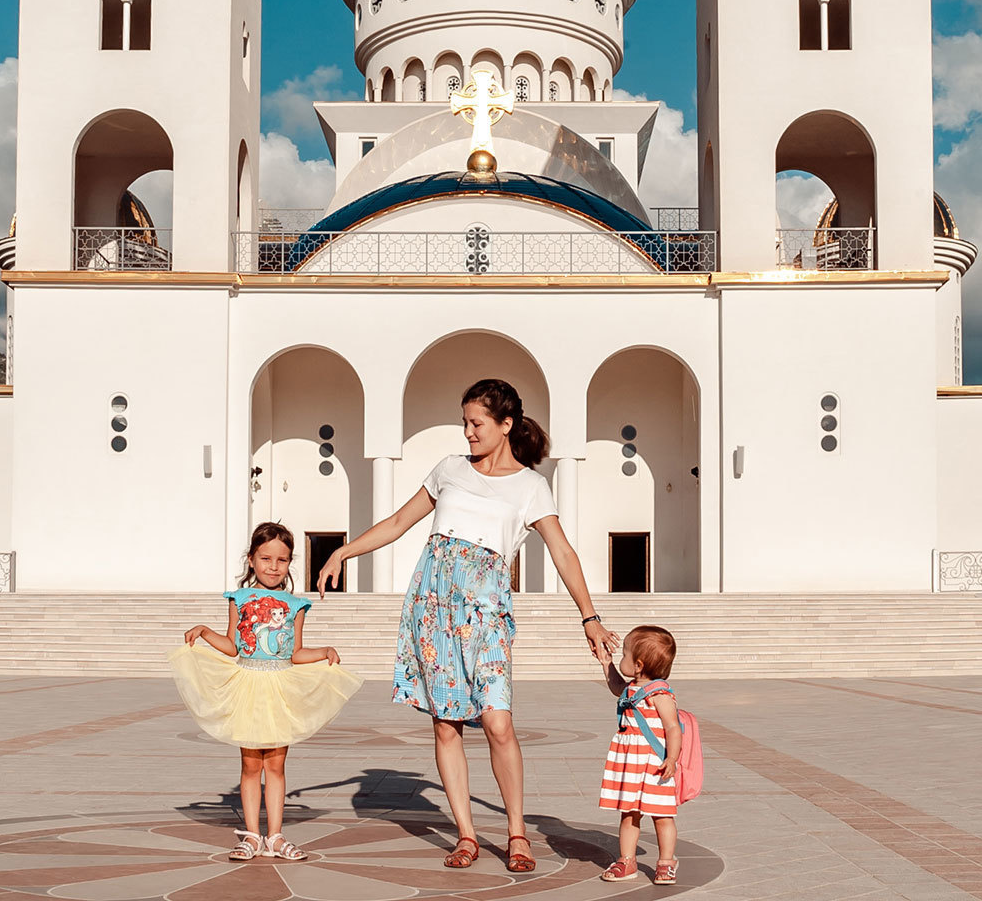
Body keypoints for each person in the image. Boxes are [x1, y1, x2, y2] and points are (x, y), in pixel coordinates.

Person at [317, 376, 617, 874]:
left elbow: (562, 551)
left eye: (476, 423)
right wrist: (343, 551)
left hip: (486, 613)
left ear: (505, 425)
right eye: (464, 423)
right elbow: (397, 523)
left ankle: (516, 832)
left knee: (498, 721)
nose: (468, 433)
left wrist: (589, 617)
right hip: (433, 605)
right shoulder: (449, 469)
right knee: (447, 723)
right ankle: (466, 834)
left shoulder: (530, 486)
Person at [170, 521, 362, 862]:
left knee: (275, 765)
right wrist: (204, 631)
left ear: (289, 563)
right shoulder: (239, 598)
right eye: (266, 558)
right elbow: (232, 645)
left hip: (279, 688)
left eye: (282, 560)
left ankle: (275, 836)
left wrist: (323, 652)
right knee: (249, 765)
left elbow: (294, 653)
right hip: (248, 686)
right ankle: (251, 836)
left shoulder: (295, 605)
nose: (273, 566)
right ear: (251, 560)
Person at [598, 624, 683, 885]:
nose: (621, 657)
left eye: (624, 654)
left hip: (654, 764)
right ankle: (627, 860)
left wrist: (672, 758)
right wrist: (606, 662)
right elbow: (616, 686)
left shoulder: (660, 694)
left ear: (638, 665)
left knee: (662, 815)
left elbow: (673, 727)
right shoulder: (632, 688)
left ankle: (666, 862)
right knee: (629, 813)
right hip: (630, 763)